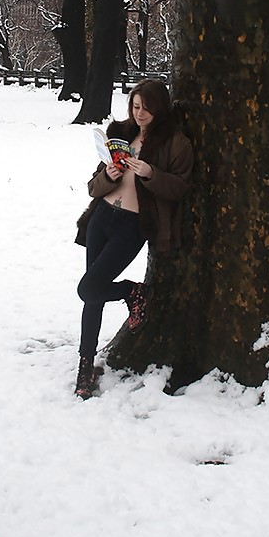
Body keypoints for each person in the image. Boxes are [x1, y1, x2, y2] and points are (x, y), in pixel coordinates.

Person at [73, 79, 193, 399]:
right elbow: (92, 187)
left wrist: (150, 173)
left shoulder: (174, 143)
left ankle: (133, 292)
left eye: (146, 108)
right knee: (92, 294)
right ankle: (86, 365)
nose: (140, 114)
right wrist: (107, 176)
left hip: (132, 225)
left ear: (160, 108)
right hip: (101, 219)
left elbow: (180, 188)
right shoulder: (121, 134)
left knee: (88, 287)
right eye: (135, 106)